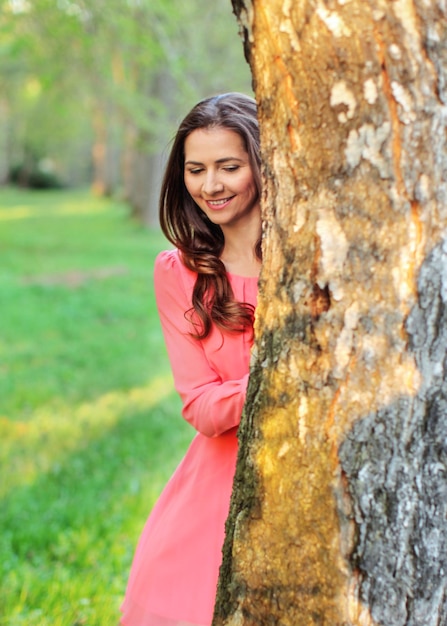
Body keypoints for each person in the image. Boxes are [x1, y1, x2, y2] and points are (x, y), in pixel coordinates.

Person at [120, 92, 262, 626]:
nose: (211, 185)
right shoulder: (179, 272)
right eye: (196, 169)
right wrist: (283, 383)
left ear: (262, 165)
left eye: (229, 166)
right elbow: (201, 406)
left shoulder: (315, 258)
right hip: (216, 493)